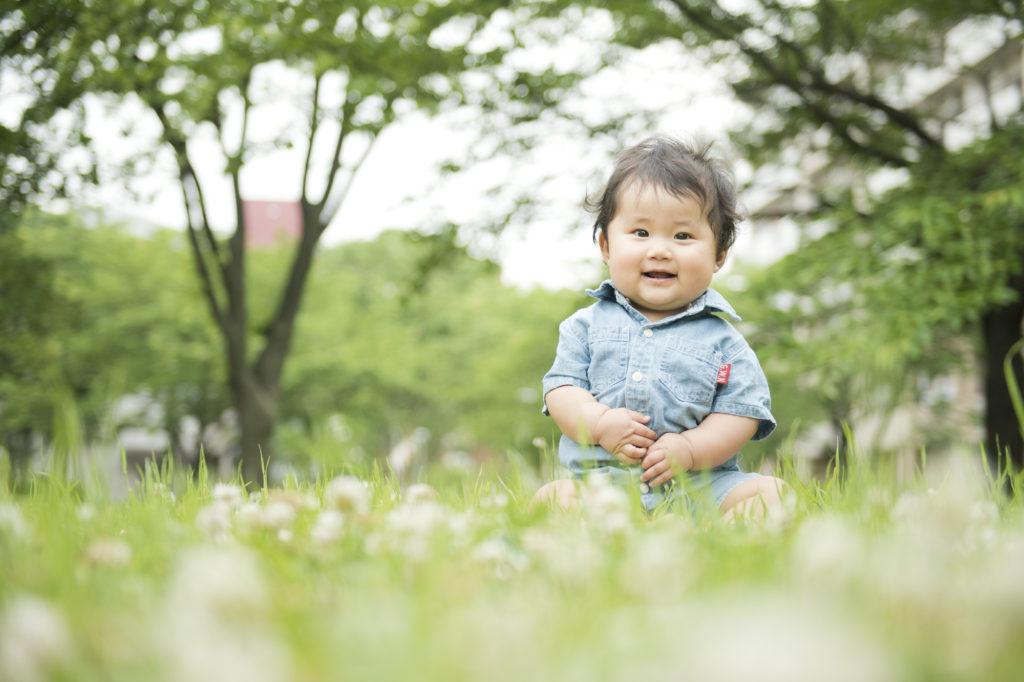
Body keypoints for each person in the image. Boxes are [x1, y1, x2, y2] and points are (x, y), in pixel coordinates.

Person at [535, 136, 786, 520]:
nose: (660, 250)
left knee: (773, 493)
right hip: (602, 487)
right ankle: (601, 536)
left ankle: (723, 539)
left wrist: (690, 449)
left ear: (718, 254)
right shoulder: (583, 327)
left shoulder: (726, 344)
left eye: (683, 236)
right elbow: (561, 391)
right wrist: (599, 424)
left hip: (700, 486)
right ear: (606, 246)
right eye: (640, 233)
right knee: (554, 498)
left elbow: (740, 414)